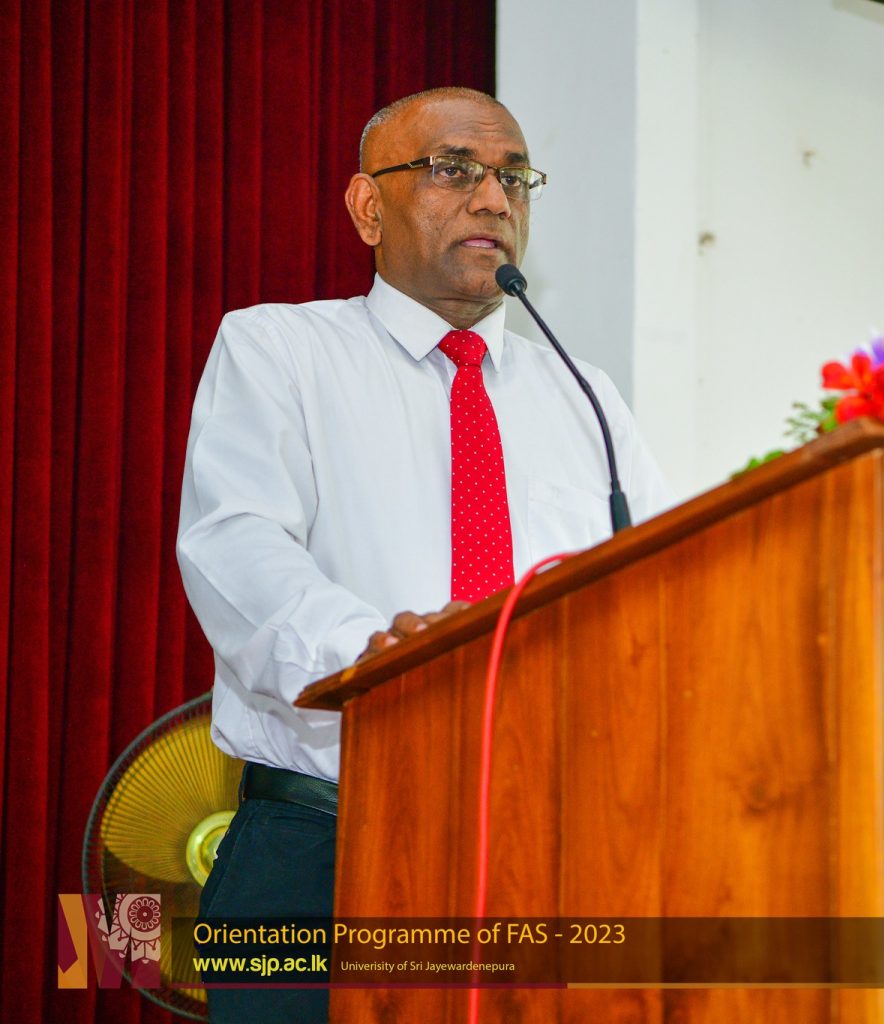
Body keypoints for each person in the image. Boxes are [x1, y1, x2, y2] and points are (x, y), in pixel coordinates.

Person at [178, 86, 670, 1023]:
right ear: (368, 207)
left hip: (546, 853)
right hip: (321, 846)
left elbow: (654, 591)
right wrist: (385, 658)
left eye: (514, 178)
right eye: (453, 170)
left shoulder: (584, 396)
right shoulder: (279, 349)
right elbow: (237, 549)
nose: (493, 198)